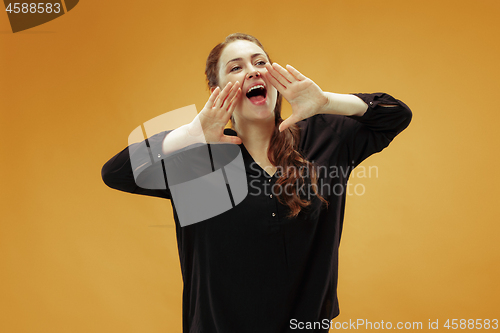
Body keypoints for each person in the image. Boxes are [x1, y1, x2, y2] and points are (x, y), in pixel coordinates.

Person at [101, 33, 412, 333]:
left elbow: (395, 114)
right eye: (236, 67)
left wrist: (326, 101)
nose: (252, 72)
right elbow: (116, 172)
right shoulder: (200, 160)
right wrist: (191, 136)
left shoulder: (324, 136)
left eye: (260, 62)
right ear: (216, 90)